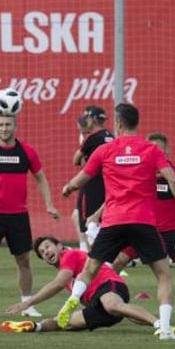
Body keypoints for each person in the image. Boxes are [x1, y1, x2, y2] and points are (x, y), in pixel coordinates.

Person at [59, 103, 175, 340]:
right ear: (135, 123)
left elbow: (81, 178)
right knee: (163, 275)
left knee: (90, 269)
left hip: (114, 221)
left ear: (118, 124)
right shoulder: (151, 149)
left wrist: (68, 188)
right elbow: (173, 180)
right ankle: (164, 328)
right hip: (143, 221)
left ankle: (71, 301)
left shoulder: (105, 150)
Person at [95, 132, 175, 325]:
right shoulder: (139, 173)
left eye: (159, 149)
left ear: (166, 151)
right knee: (115, 264)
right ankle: (108, 306)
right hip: (142, 229)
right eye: (152, 149)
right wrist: (97, 213)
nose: (155, 152)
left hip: (169, 232)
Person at [0, 110, 60, 319]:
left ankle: (28, 304)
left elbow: (41, 178)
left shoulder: (27, 152)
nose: (4, 128)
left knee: (23, 260)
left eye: (8, 125)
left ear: (15, 127)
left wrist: (49, 204)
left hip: (18, 216)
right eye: (0, 125)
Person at [1, 235, 165, 335]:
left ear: (59, 246)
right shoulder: (66, 268)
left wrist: (27, 302)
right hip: (98, 303)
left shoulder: (69, 255)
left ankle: (161, 325)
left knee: (112, 305)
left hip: (110, 284)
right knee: (61, 322)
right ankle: (33, 327)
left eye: (47, 247)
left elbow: (57, 284)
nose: (46, 252)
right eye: (42, 253)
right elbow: (86, 299)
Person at [70, 106, 112, 251]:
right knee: (102, 221)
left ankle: (100, 257)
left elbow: (76, 160)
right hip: (109, 184)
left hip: (92, 184)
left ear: (92, 119)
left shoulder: (91, 138)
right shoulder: (111, 136)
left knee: (89, 222)